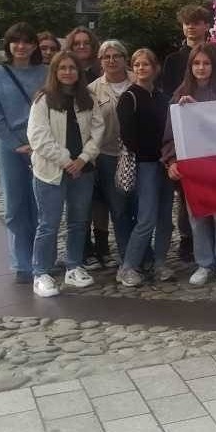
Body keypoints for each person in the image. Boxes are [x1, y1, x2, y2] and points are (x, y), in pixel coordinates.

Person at [27, 51, 104, 298]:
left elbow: (98, 131)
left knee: (78, 221)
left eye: (72, 68)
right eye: (62, 68)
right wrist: (66, 160)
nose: (68, 72)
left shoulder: (88, 99)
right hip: (51, 171)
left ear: (78, 72)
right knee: (48, 224)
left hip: (82, 170)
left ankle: (74, 265)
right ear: (55, 71)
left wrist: (83, 159)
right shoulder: (43, 100)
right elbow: (38, 137)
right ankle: (41, 272)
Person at [162, 44, 216, 286]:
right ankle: (204, 263)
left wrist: (200, 111)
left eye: (206, 63)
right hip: (192, 167)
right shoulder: (180, 93)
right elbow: (170, 133)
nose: (201, 68)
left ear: (214, 66)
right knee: (197, 216)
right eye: (196, 63)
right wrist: (171, 161)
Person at [0, 23, 48, 283]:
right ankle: (22, 263)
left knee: (41, 205)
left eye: (27, 41)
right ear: (8, 45)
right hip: (11, 148)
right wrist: (13, 143)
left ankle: (41, 259)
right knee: (15, 205)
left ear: (34, 45)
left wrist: (43, 143)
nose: (21, 46)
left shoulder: (45, 72)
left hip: (42, 146)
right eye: (16, 41)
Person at [159, 4, 216, 264]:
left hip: (214, 145)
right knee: (188, 199)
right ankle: (191, 244)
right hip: (187, 141)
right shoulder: (173, 61)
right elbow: (171, 104)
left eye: (196, 22)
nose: (191, 27)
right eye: (187, 23)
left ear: (206, 26)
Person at [115, 49, 175, 287]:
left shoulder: (162, 97)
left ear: (155, 68)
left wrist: (167, 156)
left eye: (146, 64)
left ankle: (159, 263)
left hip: (165, 163)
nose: (141, 68)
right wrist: (156, 152)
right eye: (137, 64)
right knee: (146, 218)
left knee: (165, 218)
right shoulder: (129, 97)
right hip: (145, 164)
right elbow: (129, 137)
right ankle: (128, 266)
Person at [87, 39, 134, 268]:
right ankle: (127, 257)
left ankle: (143, 252)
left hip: (138, 154)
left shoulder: (138, 80)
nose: (112, 60)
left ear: (125, 58)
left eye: (117, 56)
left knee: (140, 207)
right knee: (119, 209)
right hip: (108, 155)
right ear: (100, 61)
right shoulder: (93, 90)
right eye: (107, 57)